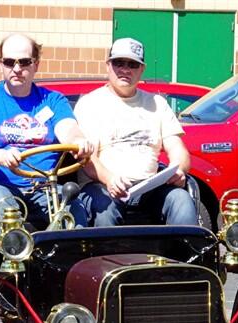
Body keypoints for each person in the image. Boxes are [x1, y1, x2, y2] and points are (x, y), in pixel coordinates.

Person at [0, 33, 93, 240]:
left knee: (72, 207)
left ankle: (69, 264)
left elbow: (68, 128)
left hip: (44, 187)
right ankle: (13, 265)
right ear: (1, 64)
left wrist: (78, 141)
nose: (17, 69)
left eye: (25, 62)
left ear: (36, 65)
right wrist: (0, 156)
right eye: (10, 62)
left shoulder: (53, 100)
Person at [74, 37, 196, 227]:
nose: (125, 70)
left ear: (142, 69)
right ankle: (107, 257)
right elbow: (87, 159)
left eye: (132, 64)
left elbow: (178, 149)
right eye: (119, 63)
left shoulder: (157, 104)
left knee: (181, 199)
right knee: (105, 207)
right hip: (103, 186)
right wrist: (110, 179)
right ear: (108, 65)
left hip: (150, 187)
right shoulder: (90, 104)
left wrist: (179, 170)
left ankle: (183, 255)